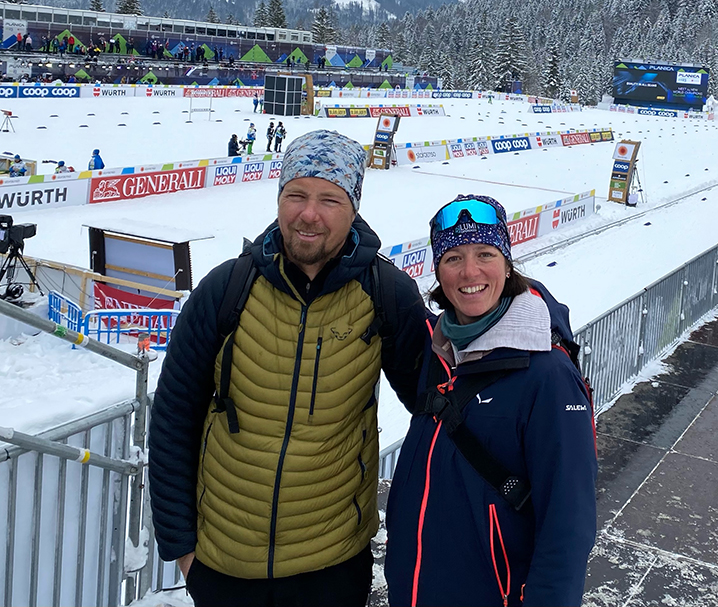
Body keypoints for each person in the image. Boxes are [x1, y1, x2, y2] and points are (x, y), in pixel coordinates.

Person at [148, 129, 426, 607]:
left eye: (330, 199)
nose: (309, 214)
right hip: (224, 560)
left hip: (332, 565)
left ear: (354, 207)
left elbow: (436, 401)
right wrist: (182, 549)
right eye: (296, 194)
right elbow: (173, 419)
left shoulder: (387, 294)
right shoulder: (225, 290)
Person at [384, 194, 597, 607]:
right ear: (438, 271)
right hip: (415, 590)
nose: (470, 272)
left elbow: (567, 526)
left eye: (485, 253)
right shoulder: (441, 351)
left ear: (506, 263)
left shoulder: (547, 375)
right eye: (453, 258)